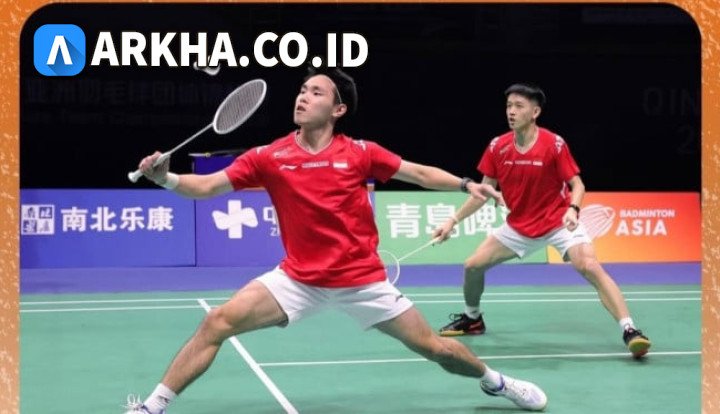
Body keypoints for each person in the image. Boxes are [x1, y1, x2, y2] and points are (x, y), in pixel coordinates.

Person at [123, 69, 548, 413]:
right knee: (217, 322)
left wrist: (465, 185)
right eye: (302, 90)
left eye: (316, 92)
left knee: (436, 349)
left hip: (362, 280)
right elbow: (207, 186)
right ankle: (152, 407)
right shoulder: (269, 156)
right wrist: (166, 178)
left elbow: (416, 172)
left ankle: (496, 382)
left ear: (338, 108)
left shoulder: (360, 152)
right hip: (299, 280)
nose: (303, 97)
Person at [433, 83, 652, 359]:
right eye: (509, 106)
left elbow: (577, 184)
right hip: (519, 227)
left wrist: (573, 209)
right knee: (472, 266)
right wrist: (452, 221)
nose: (511, 112)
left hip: (558, 221)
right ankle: (472, 319)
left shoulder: (554, 145)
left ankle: (630, 330)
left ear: (535, 112)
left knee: (589, 265)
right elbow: (483, 193)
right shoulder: (498, 146)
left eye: (519, 106)